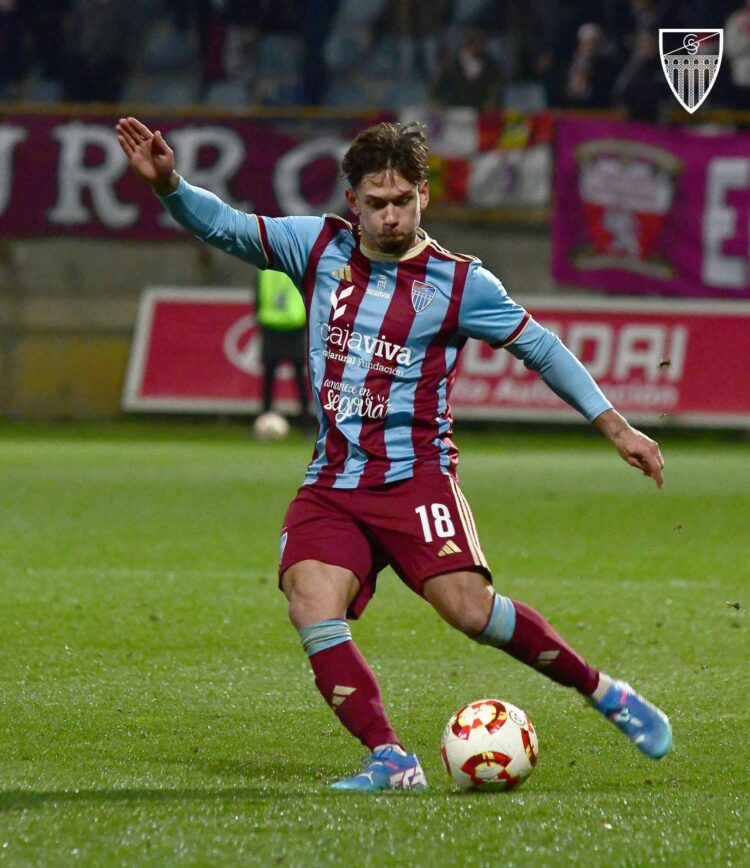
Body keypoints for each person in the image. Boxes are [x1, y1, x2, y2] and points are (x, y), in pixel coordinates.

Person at [116, 116, 672, 792]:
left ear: (423, 197)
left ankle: (606, 693)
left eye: (401, 201)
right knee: (309, 598)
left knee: (471, 612)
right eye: (375, 203)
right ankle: (391, 759)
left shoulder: (460, 284)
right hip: (333, 482)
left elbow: (542, 347)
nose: (388, 216)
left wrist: (616, 427)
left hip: (416, 482)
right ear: (352, 201)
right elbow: (228, 226)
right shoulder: (316, 247)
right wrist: (171, 185)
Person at [255, 268, 311, 429]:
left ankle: (304, 423)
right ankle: (305, 425)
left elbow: (258, 295)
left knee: (271, 378)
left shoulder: (265, 269)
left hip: (278, 325)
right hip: (290, 324)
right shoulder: (299, 265)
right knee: (296, 378)